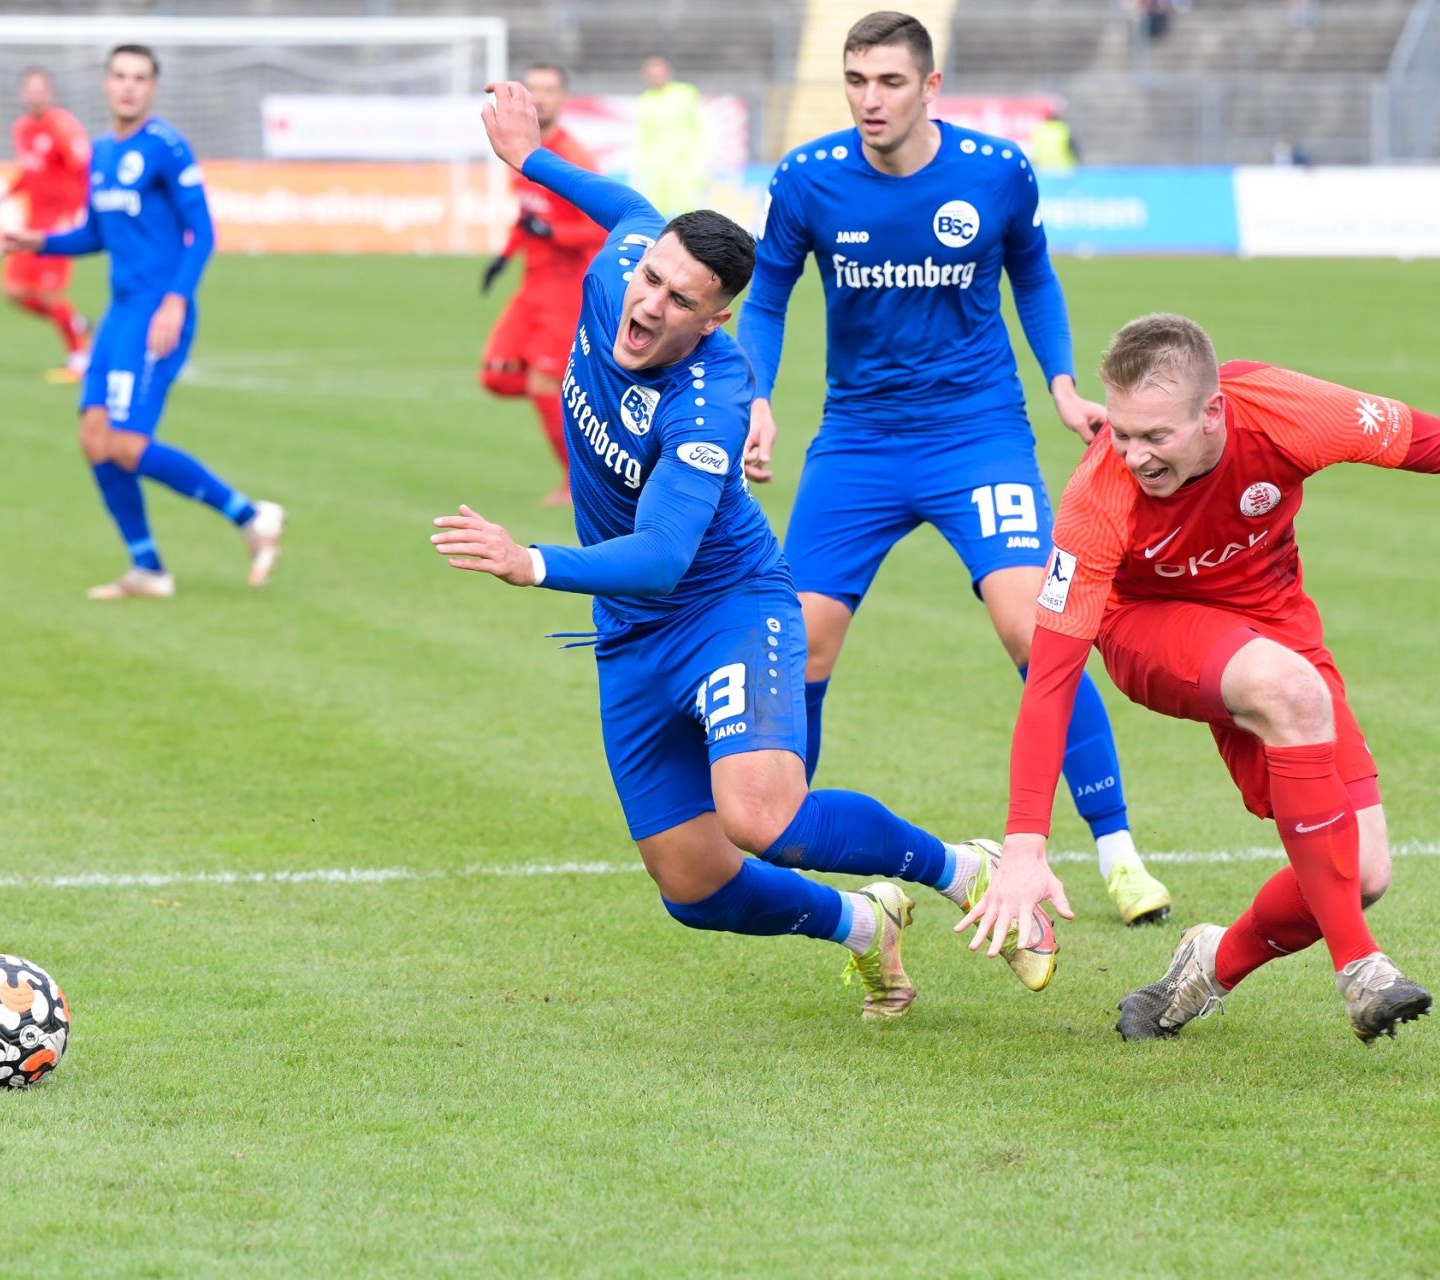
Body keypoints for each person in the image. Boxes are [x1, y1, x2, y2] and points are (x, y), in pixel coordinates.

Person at [431, 81, 1056, 1020]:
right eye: (651, 279)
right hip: (631, 634)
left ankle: (958, 866)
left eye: (679, 299)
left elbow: (661, 555)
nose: (649, 304)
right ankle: (862, 924)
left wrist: (532, 561)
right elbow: (626, 206)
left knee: (762, 819)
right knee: (691, 885)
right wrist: (529, 158)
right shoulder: (622, 266)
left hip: (726, 608)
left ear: (715, 320)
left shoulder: (710, 399)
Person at [961, 312, 1440, 1044]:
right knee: (1291, 689)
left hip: (1276, 625)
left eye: (1155, 436)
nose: (1134, 455)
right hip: (1147, 627)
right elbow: (1051, 678)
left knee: (1361, 873)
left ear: (1213, 412)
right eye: (1121, 433)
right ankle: (1360, 967)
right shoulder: (1098, 497)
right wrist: (1025, 843)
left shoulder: (1285, 412)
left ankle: (1208, 965)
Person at [734, 10, 1173, 929]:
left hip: (978, 437)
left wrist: (1061, 384)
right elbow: (768, 294)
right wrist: (758, 396)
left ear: (930, 87)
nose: (870, 100)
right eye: (856, 81)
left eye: (889, 82)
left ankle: (1118, 851)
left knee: (1035, 628)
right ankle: (788, 828)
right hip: (858, 442)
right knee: (804, 641)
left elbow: (1034, 276)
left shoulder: (996, 171)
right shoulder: (809, 178)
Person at [0, 45, 283, 600]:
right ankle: (147, 568)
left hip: (157, 314)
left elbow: (202, 232)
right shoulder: (102, 152)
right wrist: (39, 241)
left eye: (140, 78)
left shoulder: (166, 146)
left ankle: (251, 517)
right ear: (106, 83)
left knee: (127, 443)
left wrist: (176, 301)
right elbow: (96, 234)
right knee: (94, 439)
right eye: (120, 76)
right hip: (119, 314)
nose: (129, 86)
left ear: (152, 87)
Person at [478, 63, 603, 507]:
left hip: (566, 287)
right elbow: (528, 217)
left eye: (550, 89)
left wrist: (555, 234)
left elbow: (601, 227)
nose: (542, 96)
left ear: (563, 98)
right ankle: (587, 398)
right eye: (535, 89)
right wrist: (505, 254)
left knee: (542, 385)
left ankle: (578, 484)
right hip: (532, 284)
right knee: (495, 375)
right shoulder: (522, 153)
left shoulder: (574, 156)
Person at [0, 68, 92, 382]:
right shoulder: (22, 128)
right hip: (32, 224)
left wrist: (76, 212)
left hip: (58, 224)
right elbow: (30, 171)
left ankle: (79, 358)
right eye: (31, 89)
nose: (36, 95)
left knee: (51, 294)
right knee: (14, 291)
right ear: (23, 94)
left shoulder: (63, 126)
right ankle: (76, 323)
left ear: (50, 93)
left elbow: (83, 169)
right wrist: (9, 191)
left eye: (41, 89)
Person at [633, 55, 705, 217]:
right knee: (657, 210)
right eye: (651, 75)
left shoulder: (686, 94)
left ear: (668, 73)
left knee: (689, 210)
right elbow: (644, 135)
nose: (656, 78)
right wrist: (642, 165)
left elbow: (701, 127)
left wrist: (699, 159)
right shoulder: (645, 100)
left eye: (659, 73)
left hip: (684, 164)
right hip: (657, 166)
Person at [1027, 109, 1079, 174]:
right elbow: (1074, 148)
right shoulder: (1063, 129)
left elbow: (1033, 151)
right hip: (1063, 169)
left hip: (1043, 170)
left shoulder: (1039, 130)